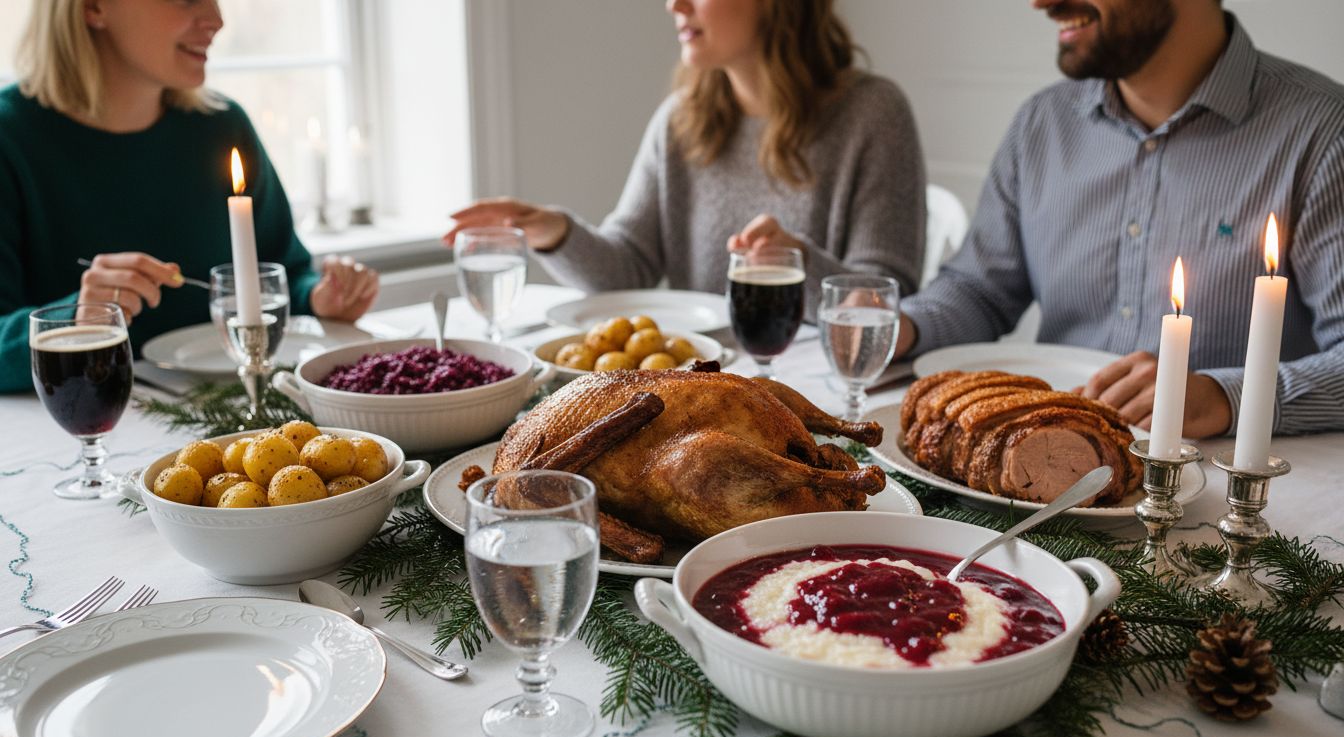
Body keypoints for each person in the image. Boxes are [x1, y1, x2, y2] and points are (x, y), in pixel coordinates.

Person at [895, 0, 1344, 438]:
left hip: (1234, 491)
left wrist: (1226, 398)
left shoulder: (1322, 131)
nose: (1042, 3)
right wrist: (899, 327)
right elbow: (981, 289)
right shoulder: (1042, 124)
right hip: (1051, 464)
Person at [445, 0, 926, 313]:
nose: (674, 5)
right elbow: (628, 267)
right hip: (705, 390)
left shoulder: (874, 114)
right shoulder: (681, 119)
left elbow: (882, 298)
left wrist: (794, 261)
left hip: (814, 389)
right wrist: (556, 233)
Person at [0, 0, 380, 394]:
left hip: (234, 410)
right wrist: (74, 319)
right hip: (81, 426)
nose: (216, 20)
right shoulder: (10, 138)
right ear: (94, 8)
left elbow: (283, 271)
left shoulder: (222, 126)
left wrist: (320, 297)